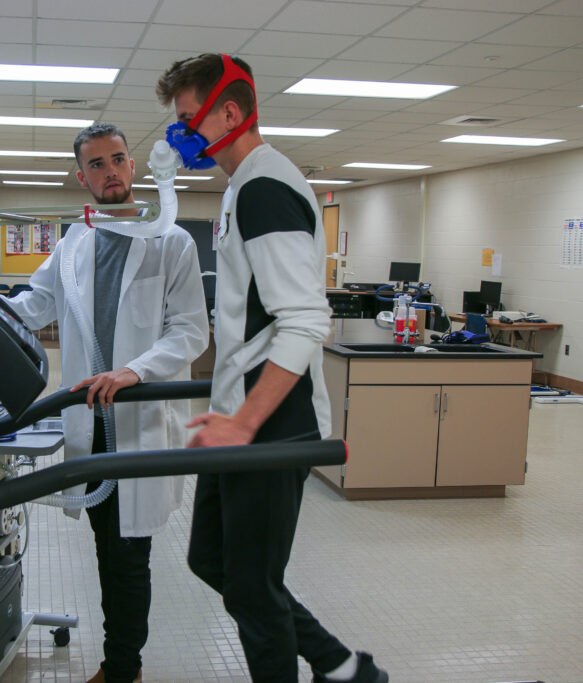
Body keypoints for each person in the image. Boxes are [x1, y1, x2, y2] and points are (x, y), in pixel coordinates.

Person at [156, 54, 389, 683]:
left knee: (253, 590)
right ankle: (343, 665)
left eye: (186, 121)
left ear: (229, 113)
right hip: (242, 419)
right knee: (213, 560)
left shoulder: (265, 188)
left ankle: (341, 670)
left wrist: (246, 421)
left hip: (271, 424)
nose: (179, 136)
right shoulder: (241, 186)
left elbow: (306, 321)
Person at [7, 121, 209, 683]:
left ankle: (124, 668)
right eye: (97, 164)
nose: (111, 171)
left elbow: (191, 331)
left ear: (133, 166)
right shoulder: (75, 241)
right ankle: (120, 662)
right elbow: (38, 301)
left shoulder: (172, 241)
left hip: (138, 417)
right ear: (82, 178)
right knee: (107, 548)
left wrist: (133, 370)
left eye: (118, 158)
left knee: (128, 556)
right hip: (90, 420)